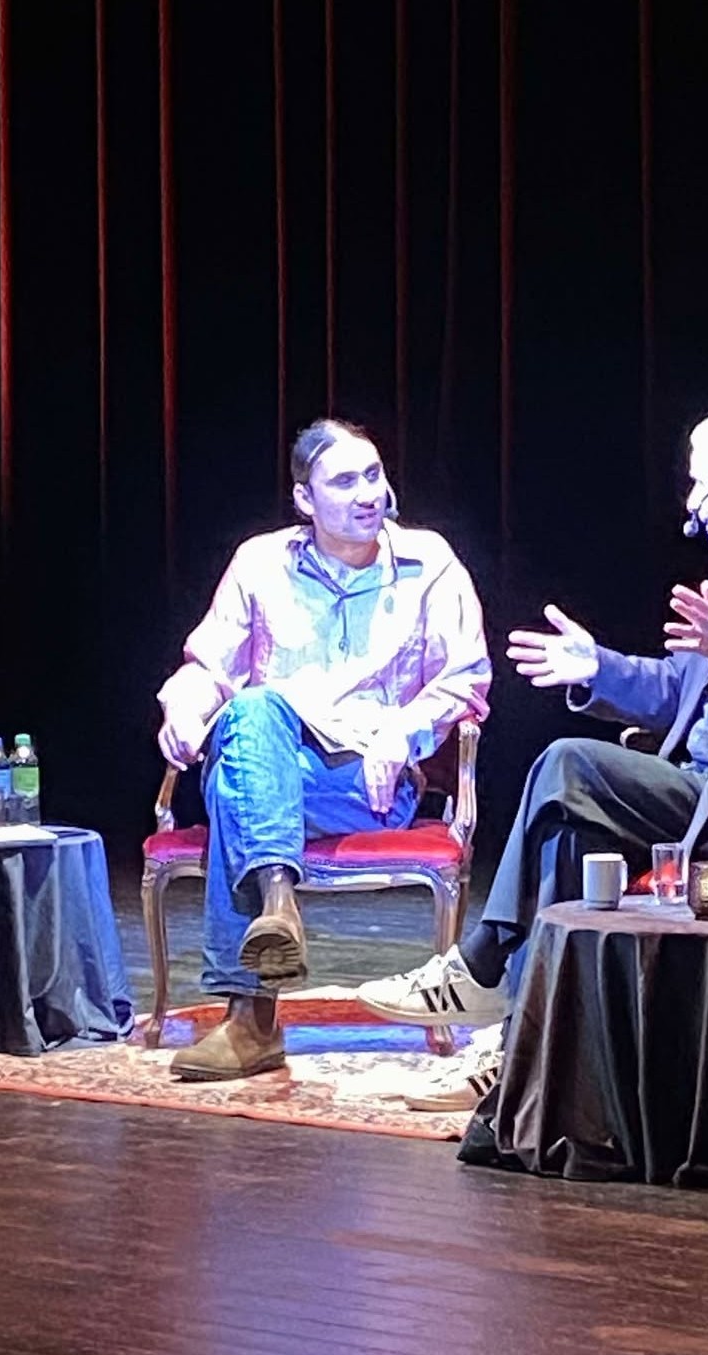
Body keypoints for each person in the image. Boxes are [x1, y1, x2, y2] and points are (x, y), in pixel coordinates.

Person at [357, 404, 708, 1108]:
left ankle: (482, 963)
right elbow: (679, 690)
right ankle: (518, 1052)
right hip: (699, 788)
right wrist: (598, 667)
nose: (691, 507)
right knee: (568, 829)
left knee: (568, 765)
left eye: (699, 486)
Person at [157, 418, 492, 1082]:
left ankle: (252, 1018)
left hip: (366, 781)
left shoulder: (429, 562)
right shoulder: (260, 562)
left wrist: (404, 731)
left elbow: (467, 677)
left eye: (373, 474)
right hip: (271, 758)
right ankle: (277, 904)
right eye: (343, 481)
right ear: (304, 499)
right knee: (253, 712)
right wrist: (182, 709)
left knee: (233, 783)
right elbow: (209, 667)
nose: (368, 493)